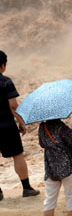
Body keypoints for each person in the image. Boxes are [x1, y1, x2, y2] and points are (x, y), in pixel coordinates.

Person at [0, 50, 40, 200]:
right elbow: (13, 105)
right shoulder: (6, 82)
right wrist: (21, 122)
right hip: (6, 125)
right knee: (18, 156)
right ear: (3, 65)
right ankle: (27, 188)